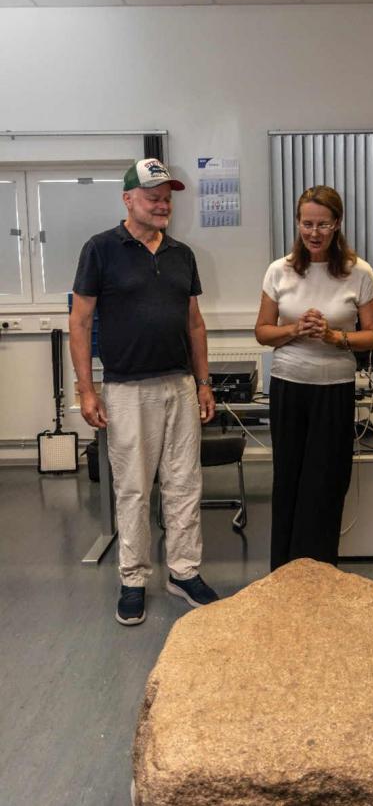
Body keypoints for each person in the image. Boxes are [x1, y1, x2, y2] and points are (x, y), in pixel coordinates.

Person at [69, 158, 218, 626]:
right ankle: (133, 578)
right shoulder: (100, 250)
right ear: (128, 199)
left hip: (178, 385)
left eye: (167, 196)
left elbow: (194, 322)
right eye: (152, 195)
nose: (162, 203)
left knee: (184, 483)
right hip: (127, 389)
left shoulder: (181, 254)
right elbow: (80, 320)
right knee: (133, 489)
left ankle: (184, 571)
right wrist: (86, 390)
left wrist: (204, 381)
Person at [255, 185, 373, 570]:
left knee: (326, 484)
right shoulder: (279, 270)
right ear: (297, 224)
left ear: (337, 224)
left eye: (323, 224)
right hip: (289, 387)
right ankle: (285, 571)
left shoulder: (358, 273)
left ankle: (320, 573)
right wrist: (295, 330)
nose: (314, 232)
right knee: (289, 481)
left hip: (334, 390)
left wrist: (334, 337)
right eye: (307, 223)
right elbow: (263, 331)